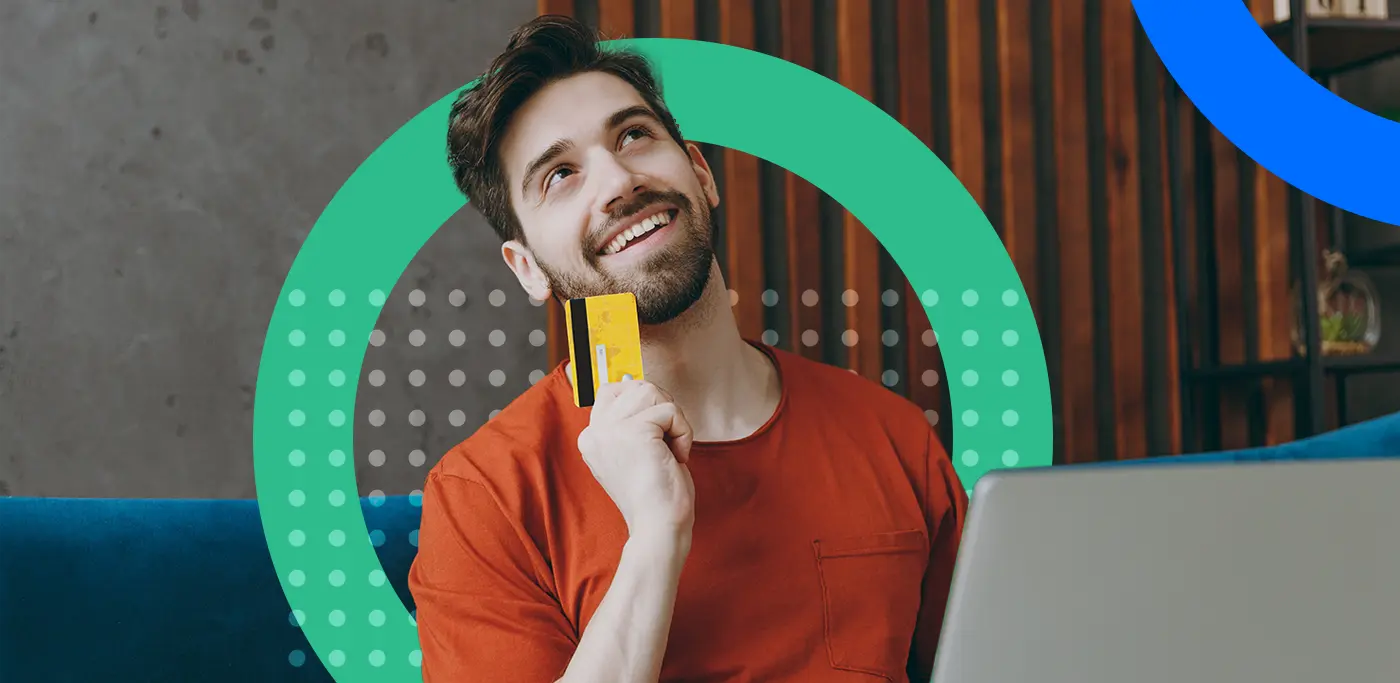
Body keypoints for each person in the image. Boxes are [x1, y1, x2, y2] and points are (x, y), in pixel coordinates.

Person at [408, 14, 967, 683]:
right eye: (559, 175)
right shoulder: (486, 496)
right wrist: (654, 533)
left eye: (634, 135)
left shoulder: (894, 437)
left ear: (700, 172)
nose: (617, 182)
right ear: (527, 267)